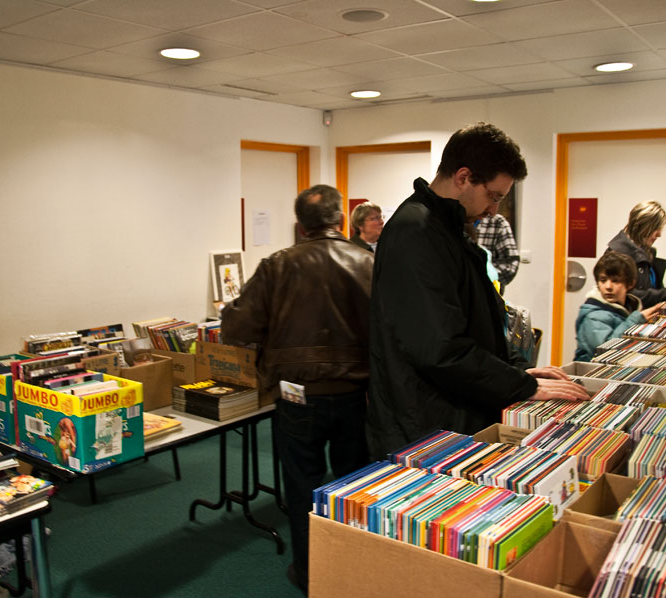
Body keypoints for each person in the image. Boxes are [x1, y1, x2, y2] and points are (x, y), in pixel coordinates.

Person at [367, 122, 589, 460]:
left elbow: (469, 320)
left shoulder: (445, 226)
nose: (494, 210)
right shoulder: (417, 231)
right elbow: (439, 349)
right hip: (427, 426)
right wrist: (520, 385)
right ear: (463, 177)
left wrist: (514, 372)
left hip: (449, 412)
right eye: (493, 196)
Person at [221, 184, 373, 594]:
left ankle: (309, 574)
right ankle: (355, 570)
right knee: (356, 485)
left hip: (296, 395)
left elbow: (236, 327)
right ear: (340, 220)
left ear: (300, 225)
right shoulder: (369, 262)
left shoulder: (277, 265)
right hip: (357, 393)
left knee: (303, 486)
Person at [606, 200, 666, 305]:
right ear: (642, 225)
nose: (659, 234)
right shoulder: (615, 255)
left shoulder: (646, 252)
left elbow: (652, 290)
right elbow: (626, 295)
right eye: (656, 228)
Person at [574, 252, 662, 361]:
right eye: (603, 280)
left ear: (630, 284)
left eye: (615, 281)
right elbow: (604, 351)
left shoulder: (630, 306)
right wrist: (636, 319)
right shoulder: (593, 316)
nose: (608, 286)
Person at [475, 213, 520, 293]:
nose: (492, 211)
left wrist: (483, 280)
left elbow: (510, 263)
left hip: (488, 293)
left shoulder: (497, 222)